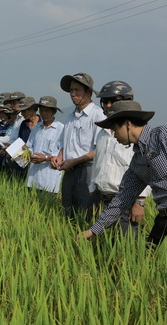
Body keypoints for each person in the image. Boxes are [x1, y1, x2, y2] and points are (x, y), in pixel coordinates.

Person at [79, 100, 167, 256]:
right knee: (149, 260)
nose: (114, 135)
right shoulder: (137, 160)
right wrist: (94, 230)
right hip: (164, 216)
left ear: (127, 124)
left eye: (114, 129)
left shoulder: (163, 135)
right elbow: (122, 199)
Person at [90, 81, 151, 237]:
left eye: (114, 100)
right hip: (103, 199)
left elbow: (146, 170)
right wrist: (93, 193)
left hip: (126, 201)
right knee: (104, 243)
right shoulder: (102, 134)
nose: (108, 105)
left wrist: (140, 201)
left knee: (126, 244)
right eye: (105, 101)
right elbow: (97, 164)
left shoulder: (136, 135)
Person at [51, 73, 105, 220]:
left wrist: (73, 161)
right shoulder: (70, 117)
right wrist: (59, 157)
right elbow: (65, 144)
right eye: (71, 90)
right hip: (69, 170)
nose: (73, 94)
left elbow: (99, 150)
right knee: (68, 209)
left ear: (88, 92)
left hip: (87, 170)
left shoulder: (98, 116)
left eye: (77, 90)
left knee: (86, 211)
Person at [24, 96, 64, 195]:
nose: (43, 114)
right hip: (33, 178)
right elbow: (29, 145)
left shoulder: (61, 129)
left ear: (53, 112)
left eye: (47, 111)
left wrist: (46, 158)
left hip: (49, 180)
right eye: (41, 110)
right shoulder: (37, 127)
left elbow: (63, 152)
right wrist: (29, 153)